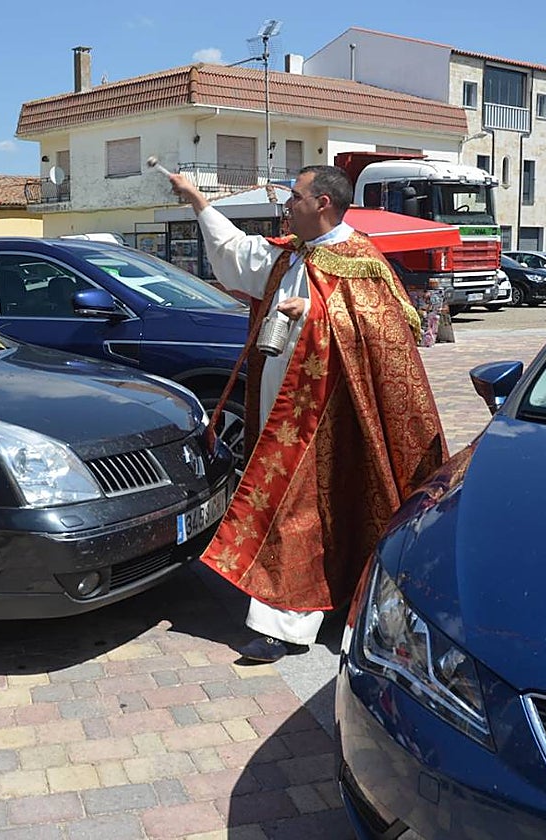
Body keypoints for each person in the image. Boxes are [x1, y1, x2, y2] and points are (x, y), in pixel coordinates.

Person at [167, 166, 447, 663]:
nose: (287, 205)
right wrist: (195, 199)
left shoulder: (361, 260)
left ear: (322, 203)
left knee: (303, 508)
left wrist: (315, 313)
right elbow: (235, 253)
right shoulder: (290, 254)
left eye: (294, 197)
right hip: (283, 407)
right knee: (293, 507)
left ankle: (287, 623)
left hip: (332, 415)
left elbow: (386, 332)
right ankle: (300, 609)